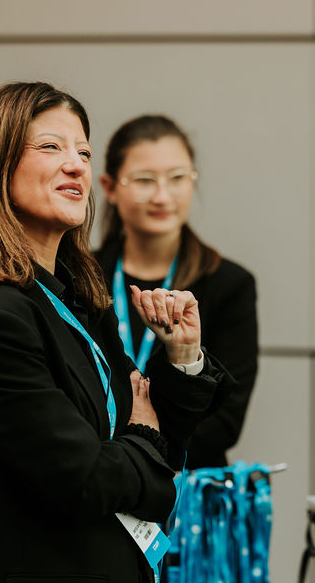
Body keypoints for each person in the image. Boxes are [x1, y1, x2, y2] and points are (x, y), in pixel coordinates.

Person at [0, 82, 232, 583]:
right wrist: (143, 440)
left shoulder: (78, 298)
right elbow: (83, 476)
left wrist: (183, 356)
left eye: (84, 152)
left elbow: (161, 441)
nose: (76, 165)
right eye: (51, 147)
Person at [95, 114, 258, 469]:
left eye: (177, 178)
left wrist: (144, 452)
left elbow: (225, 420)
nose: (162, 196)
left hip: (186, 482)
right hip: (97, 478)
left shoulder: (229, 284)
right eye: (144, 180)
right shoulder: (82, 277)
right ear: (109, 187)